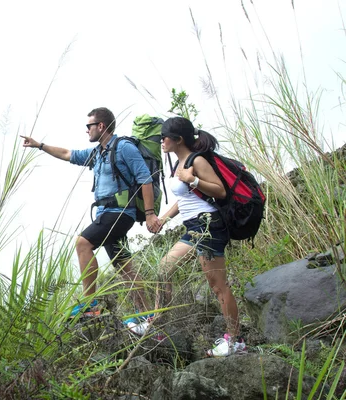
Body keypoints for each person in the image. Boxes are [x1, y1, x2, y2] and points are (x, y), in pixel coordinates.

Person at [20, 107, 162, 335]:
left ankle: (90, 304)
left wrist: (150, 214)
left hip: (118, 213)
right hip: (106, 214)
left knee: (83, 243)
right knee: (124, 265)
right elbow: (68, 153)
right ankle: (146, 316)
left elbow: (145, 178)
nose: (86, 130)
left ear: (101, 126)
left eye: (89, 126)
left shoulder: (123, 147)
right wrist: (40, 145)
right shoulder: (97, 153)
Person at [154, 116, 246, 356]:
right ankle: (157, 327)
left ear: (178, 139)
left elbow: (220, 190)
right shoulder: (179, 164)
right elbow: (184, 198)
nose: (160, 141)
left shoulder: (198, 160)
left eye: (163, 136)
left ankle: (235, 341)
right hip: (193, 227)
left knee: (218, 286)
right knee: (164, 269)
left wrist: (193, 179)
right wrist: (164, 218)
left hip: (209, 226)